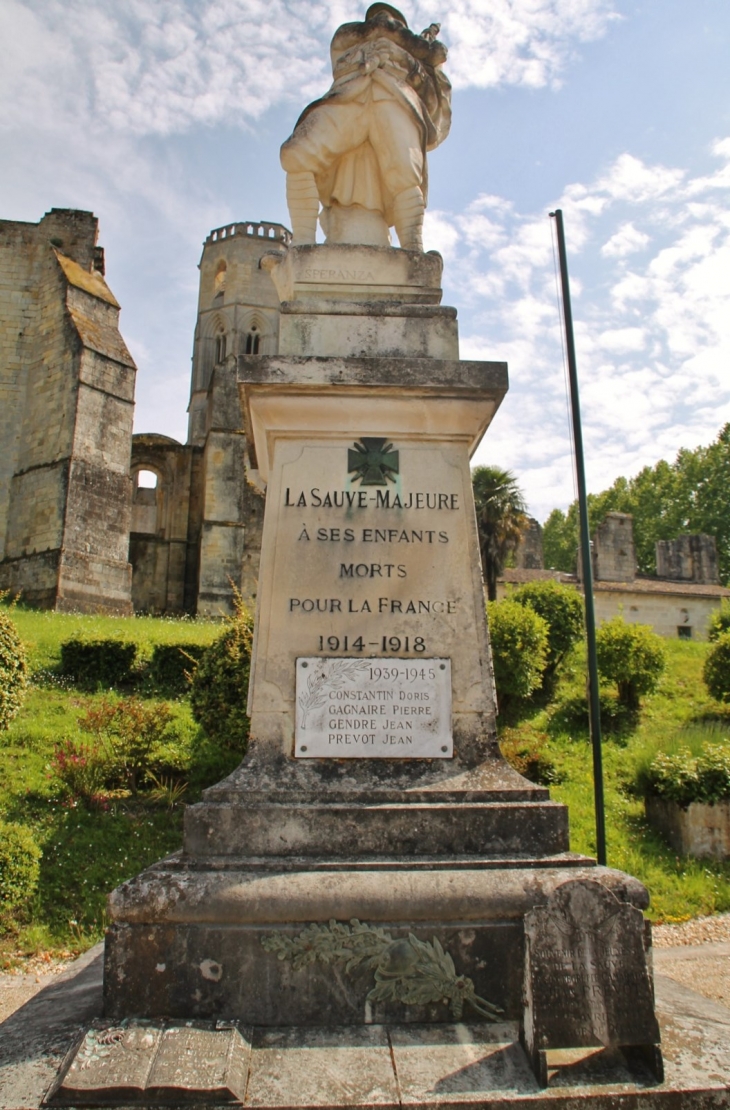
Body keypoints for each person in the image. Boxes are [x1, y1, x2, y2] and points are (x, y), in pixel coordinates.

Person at [280, 3, 451, 251]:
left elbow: (431, 97)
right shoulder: (349, 35)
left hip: (395, 99)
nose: (383, 18)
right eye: (376, 15)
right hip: (350, 97)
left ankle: (414, 252)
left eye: (394, 18)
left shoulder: (411, 56)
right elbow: (380, 28)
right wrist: (422, 48)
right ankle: (303, 243)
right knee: (295, 154)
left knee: (405, 176)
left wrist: (408, 59)